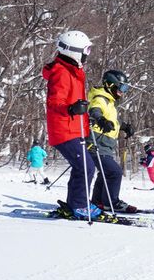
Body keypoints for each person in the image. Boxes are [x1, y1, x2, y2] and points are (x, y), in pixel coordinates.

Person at [42, 29, 101, 219]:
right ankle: (80, 205)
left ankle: (74, 204)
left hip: (73, 129)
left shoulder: (73, 72)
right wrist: (72, 109)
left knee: (81, 167)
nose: (87, 55)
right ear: (74, 51)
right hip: (64, 130)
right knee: (86, 168)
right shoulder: (61, 72)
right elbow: (54, 102)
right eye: (86, 50)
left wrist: (82, 116)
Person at [87, 70, 137, 213]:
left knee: (106, 173)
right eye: (121, 88)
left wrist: (124, 126)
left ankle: (98, 202)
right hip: (95, 143)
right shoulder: (100, 98)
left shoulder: (109, 102)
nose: (123, 92)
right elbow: (95, 111)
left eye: (125, 88)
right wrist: (101, 120)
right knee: (114, 172)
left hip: (105, 145)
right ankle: (111, 202)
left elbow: (113, 120)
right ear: (110, 85)